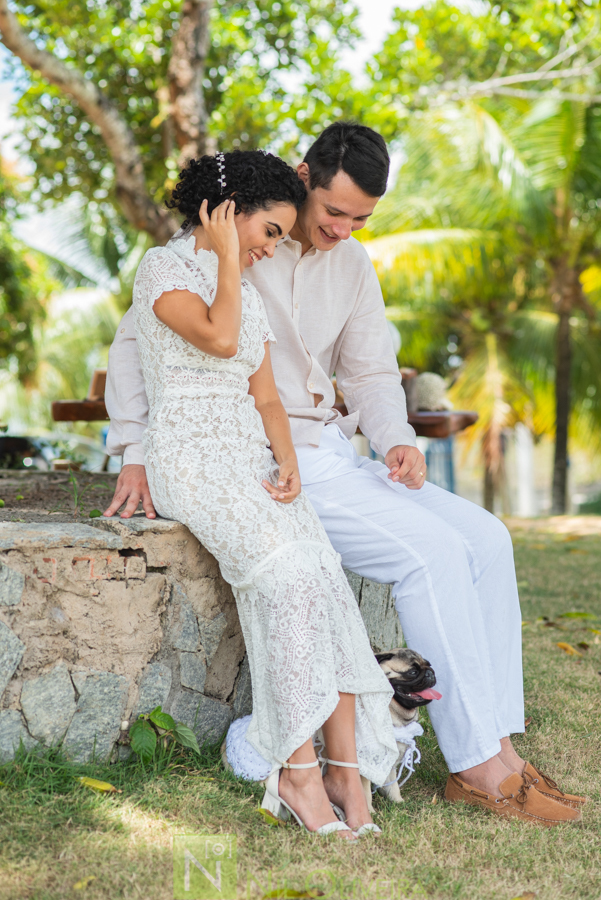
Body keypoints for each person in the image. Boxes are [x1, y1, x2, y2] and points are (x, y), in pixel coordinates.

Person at [105, 124, 585, 826]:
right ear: (302, 176)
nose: (343, 229)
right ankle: (476, 768)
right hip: (263, 458)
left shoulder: (351, 263)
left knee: (486, 537)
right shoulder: (224, 241)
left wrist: (395, 439)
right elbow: (133, 348)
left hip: (335, 450)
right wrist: (133, 451)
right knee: (433, 556)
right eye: (334, 212)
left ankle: (501, 749)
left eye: (362, 219)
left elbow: (366, 370)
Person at [125, 147, 398, 838]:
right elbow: (219, 341)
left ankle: (346, 770)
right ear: (224, 215)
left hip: (250, 455)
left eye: (279, 236)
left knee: (325, 578)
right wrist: (224, 255)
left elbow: (266, 392)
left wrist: (288, 463)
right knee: (287, 577)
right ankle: (296, 772)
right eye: (268, 232)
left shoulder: (241, 284)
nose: (273, 247)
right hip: (189, 458)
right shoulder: (163, 269)